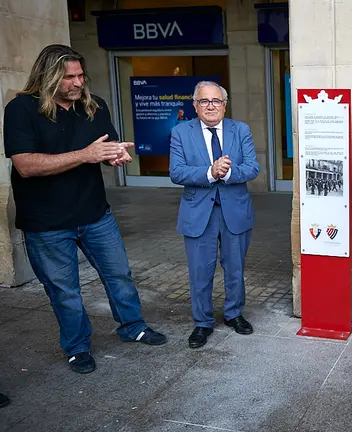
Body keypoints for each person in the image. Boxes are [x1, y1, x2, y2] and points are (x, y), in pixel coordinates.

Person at [2, 44, 167, 374]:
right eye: (69, 77)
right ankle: (77, 347)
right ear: (48, 77)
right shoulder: (21, 109)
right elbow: (25, 165)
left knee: (119, 275)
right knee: (65, 292)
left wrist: (116, 155)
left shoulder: (94, 106)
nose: (78, 83)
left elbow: (107, 148)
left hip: (95, 214)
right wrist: (85, 155)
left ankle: (132, 326)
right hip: (46, 223)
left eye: (80, 75)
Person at [169, 81, 260, 349]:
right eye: (204, 101)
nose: (211, 106)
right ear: (195, 106)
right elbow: (177, 172)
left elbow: (253, 167)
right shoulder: (180, 132)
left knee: (235, 268)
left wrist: (228, 172)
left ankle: (234, 314)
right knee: (200, 271)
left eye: (216, 101)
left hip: (235, 210)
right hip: (198, 213)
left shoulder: (240, 129)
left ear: (224, 105)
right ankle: (202, 322)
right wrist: (210, 172)